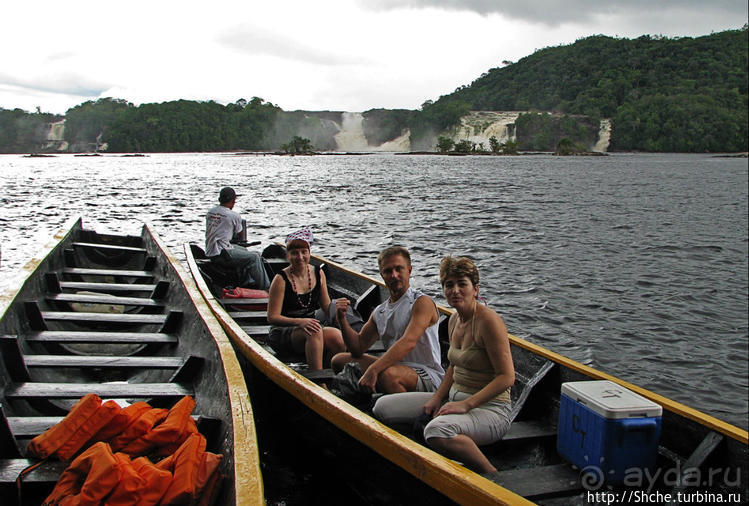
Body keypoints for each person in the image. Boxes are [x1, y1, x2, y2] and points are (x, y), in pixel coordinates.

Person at [372, 256, 514, 474]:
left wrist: (465, 405)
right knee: (382, 408)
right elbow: (453, 366)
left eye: (462, 284)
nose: (455, 290)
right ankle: (430, 459)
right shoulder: (455, 319)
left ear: (475, 289)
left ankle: (492, 475)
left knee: (436, 431)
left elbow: (507, 377)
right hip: (453, 399)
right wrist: (437, 398)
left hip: (491, 411)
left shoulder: (489, 322)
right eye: (449, 285)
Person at [331, 246, 444, 394]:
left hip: (427, 374)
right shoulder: (380, 311)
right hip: (395, 367)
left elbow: (408, 342)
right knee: (338, 360)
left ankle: (409, 413)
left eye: (399, 269)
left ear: (409, 271)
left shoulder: (421, 303)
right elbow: (357, 348)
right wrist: (342, 319)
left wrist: (373, 370)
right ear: (382, 275)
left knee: (388, 375)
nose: (394, 275)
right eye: (388, 271)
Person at [266, 228, 345, 371]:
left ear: (309, 253)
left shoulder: (318, 273)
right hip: (283, 332)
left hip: (311, 327)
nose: (300, 257)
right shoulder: (281, 279)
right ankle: (318, 381)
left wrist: (341, 316)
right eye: (294, 253)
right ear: (288, 255)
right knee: (314, 330)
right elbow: (272, 317)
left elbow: (326, 305)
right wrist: (300, 322)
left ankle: (328, 375)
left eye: (304, 252)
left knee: (337, 337)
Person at [205, 186, 270, 290]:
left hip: (210, 251)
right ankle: (267, 288)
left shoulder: (210, 212)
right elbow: (239, 233)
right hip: (222, 253)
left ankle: (248, 282)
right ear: (233, 201)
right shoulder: (233, 216)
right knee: (254, 258)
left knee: (247, 252)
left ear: (219, 199)